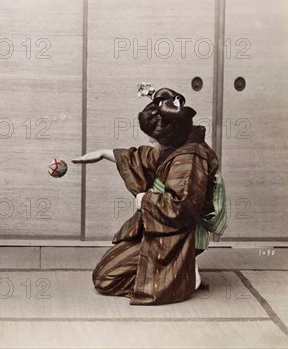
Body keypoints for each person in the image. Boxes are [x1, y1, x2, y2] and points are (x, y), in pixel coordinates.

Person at [73, 86, 219, 305]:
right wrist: (105, 153)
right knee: (106, 270)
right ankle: (180, 271)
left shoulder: (189, 159)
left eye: (153, 139)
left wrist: (144, 200)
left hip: (180, 233)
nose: (150, 142)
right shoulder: (178, 145)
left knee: (106, 279)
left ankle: (184, 277)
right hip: (164, 226)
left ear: (170, 138)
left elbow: (182, 207)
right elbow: (147, 157)